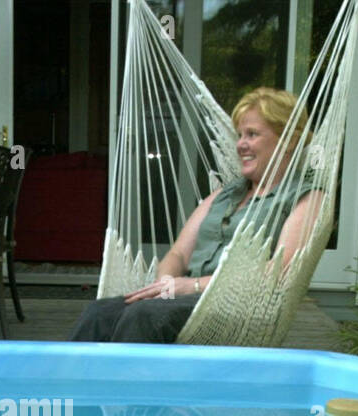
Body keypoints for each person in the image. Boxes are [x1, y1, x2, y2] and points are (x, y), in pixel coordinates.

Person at [70, 87, 326, 344]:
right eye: (239, 135)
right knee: (99, 313)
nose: (240, 145)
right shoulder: (225, 193)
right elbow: (179, 254)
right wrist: (166, 284)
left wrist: (191, 286)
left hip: (238, 309)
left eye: (252, 134)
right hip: (184, 297)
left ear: (290, 141)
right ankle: (73, 385)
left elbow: (279, 271)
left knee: (144, 315)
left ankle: (124, 385)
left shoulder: (305, 198)